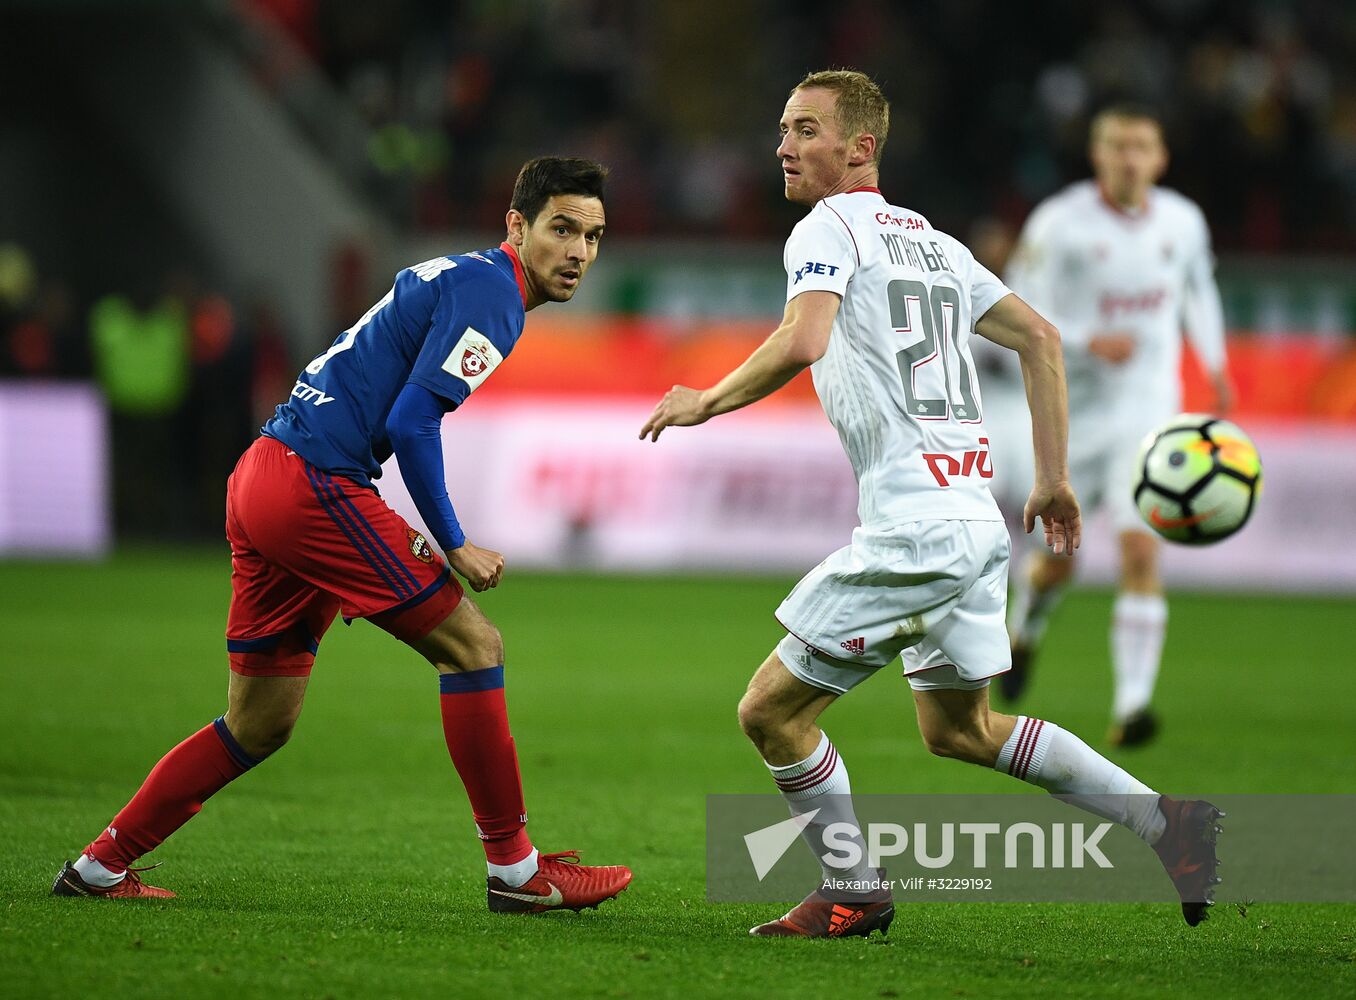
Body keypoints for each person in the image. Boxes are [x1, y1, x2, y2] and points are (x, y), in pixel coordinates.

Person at [640, 71, 1221, 939]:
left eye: (804, 130)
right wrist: (1052, 479)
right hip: (973, 520)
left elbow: (805, 338)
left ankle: (855, 888)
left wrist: (706, 400)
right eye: (783, 129)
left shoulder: (826, 226)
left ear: (859, 149)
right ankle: (1169, 823)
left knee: (770, 711)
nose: (783, 146)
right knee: (963, 728)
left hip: (916, 528)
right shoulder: (936, 244)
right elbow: (1043, 338)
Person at [53, 156, 632, 914]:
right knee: (474, 647)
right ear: (516, 227)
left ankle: (100, 866)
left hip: (264, 473)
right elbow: (410, 421)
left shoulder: (461, 275)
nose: (579, 252)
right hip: (316, 485)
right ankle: (517, 872)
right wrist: (453, 540)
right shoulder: (497, 294)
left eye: (592, 235)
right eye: (562, 229)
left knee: (258, 723)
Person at [994, 105, 1231, 747]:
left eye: (1142, 146)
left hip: (1149, 413)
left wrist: (1216, 365)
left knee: (1139, 549)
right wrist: (1089, 340)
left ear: (1161, 158)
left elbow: (1198, 292)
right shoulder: (1061, 223)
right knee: (1057, 565)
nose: (1130, 157)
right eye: (1118, 146)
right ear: (1097, 155)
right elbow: (1014, 305)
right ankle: (1027, 629)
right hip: (1071, 414)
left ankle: (1132, 706)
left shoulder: (1182, 222)